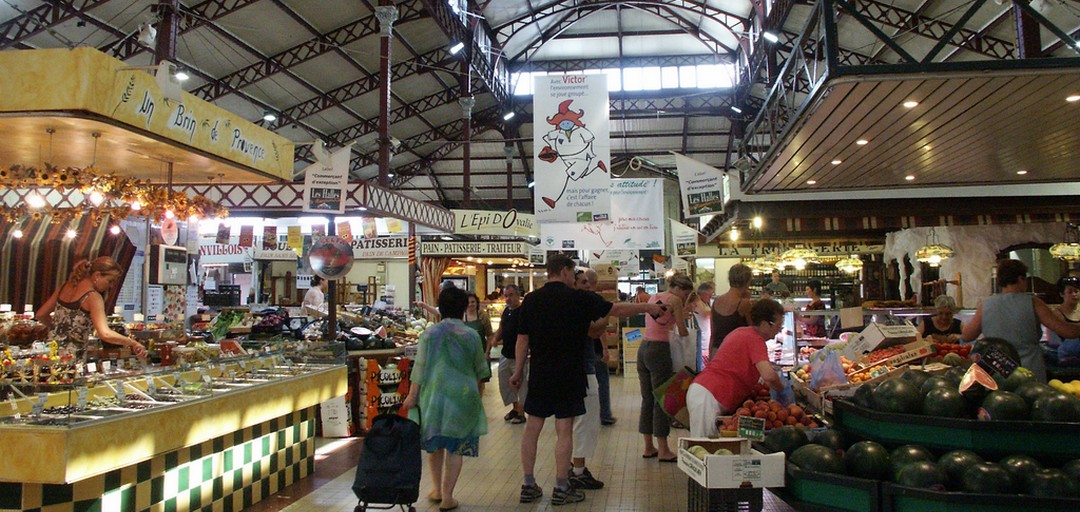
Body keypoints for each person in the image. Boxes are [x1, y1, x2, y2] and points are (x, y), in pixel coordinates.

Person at [510, 254, 663, 506]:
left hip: (539, 373)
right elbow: (616, 309)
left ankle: (528, 484)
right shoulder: (577, 297)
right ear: (565, 271)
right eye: (572, 272)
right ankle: (561, 487)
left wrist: (517, 372)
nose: (574, 277)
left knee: (532, 428)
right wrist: (648, 307)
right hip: (570, 372)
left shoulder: (531, 300)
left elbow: (522, 339)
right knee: (564, 430)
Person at [401, 285, 490, 512]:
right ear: (462, 308)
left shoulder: (429, 334)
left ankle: (437, 489)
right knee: (455, 446)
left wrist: (412, 396)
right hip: (462, 396)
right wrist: (478, 396)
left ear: (440, 308)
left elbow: (419, 368)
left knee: (435, 442)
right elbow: (481, 370)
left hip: (433, 396)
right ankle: (449, 496)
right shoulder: (471, 335)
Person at [962, 259, 1080, 381]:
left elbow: (967, 336)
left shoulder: (986, 305)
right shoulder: (1033, 302)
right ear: (1021, 279)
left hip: (998, 370)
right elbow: (1066, 331)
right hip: (1029, 369)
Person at [687, 299, 787, 437]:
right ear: (764, 324)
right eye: (778, 325)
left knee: (709, 446)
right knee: (703, 447)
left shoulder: (742, 332)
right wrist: (782, 390)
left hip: (706, 391)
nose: (779, 330)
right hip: (709, 394)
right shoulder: (755, 339)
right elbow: (769, 375)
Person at [36, 257, 146, 358]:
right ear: (97, 275)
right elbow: (105, 334)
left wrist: (57, 328)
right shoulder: (93, 297)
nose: (111, 286)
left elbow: (40, 315)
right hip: (72, 358)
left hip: (51, 353)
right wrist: (133, 342)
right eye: (110, 281)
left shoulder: (65, 286)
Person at [638, 273, 694, 463]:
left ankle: (648, 446)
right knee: (661, 399)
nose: (685, 298)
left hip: (643, 348)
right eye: (686, 294)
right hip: (660, 350)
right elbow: (682, 329)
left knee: (647, 399)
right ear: (679, 289)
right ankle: (663, 449)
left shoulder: (655, 297)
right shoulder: (676, 299)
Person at [568, 268, 607, 490]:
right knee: (585, 419)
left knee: (569, 423)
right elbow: (594, 330)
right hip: (582, 369)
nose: (588, 286)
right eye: (583, 283)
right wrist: (608, 311)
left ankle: (569, 467)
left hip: (569, 369)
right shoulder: (578, 306)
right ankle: (578, 470)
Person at [492, 285, 527, 424]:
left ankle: (522, 412)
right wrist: (496, 338)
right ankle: (514, 408)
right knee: (505, 382)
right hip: (506, 354)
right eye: (506, 295)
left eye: (511, 295)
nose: (508, 298)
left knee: (521, 384)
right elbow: (501, 326)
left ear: (518, 295)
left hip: (520, 356)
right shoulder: (506, 311)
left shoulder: (523, 312)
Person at [709, 264, 753, 361]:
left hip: (717, 352)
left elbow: (713, 335)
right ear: (747, 282)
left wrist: (710, 359)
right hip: (736, 353)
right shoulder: (744, 303)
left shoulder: (716, 301)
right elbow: (753, 330)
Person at [1050, 276, 1080, 366]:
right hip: (1066, 356)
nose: (1074, 294)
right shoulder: (1057, 313)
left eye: (1076, 291)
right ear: (1061, 294)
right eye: (1070, 292)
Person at [690, 282, 715, 372]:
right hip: (703, 339)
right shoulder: (698, 303)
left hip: (707, 336)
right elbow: (705, 314)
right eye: (709, 295)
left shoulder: (706, 303)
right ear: (703, 294)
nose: (710, 297)